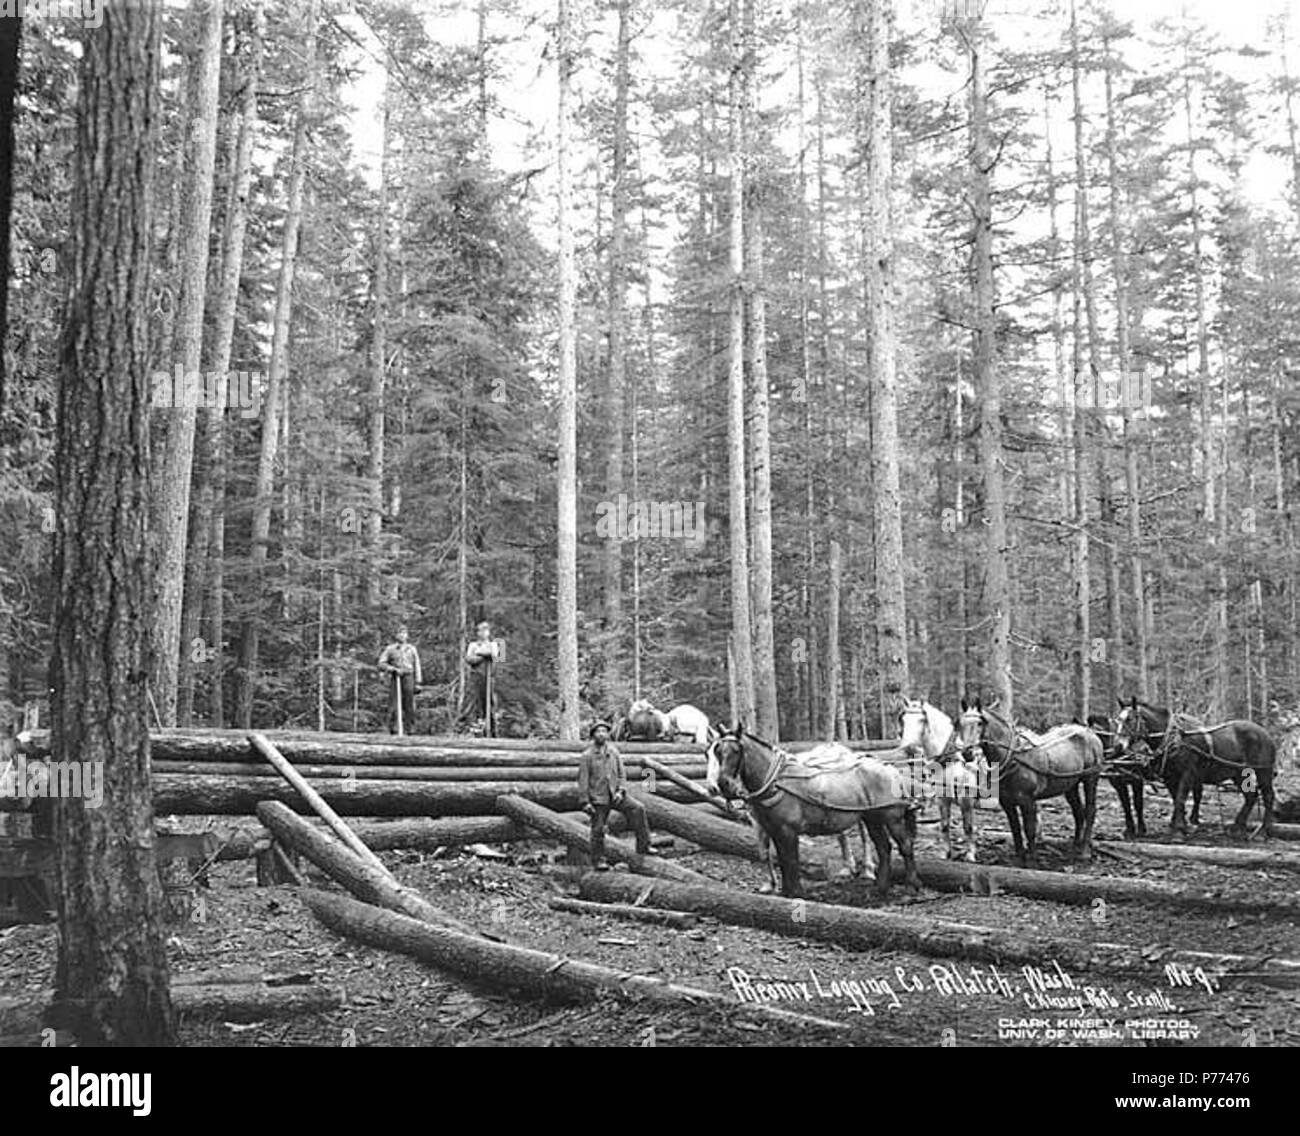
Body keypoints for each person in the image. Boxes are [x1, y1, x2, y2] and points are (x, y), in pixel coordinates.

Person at [578, 719, 655, 870]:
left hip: (616, 795)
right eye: (598, 732)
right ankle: (599, 860)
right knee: (598, 829)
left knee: (638, 809)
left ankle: (644, 846)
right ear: (593, 735)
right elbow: (583, 780)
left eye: (604, 731)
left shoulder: (614, 752)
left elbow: (621, 774)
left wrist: (621, 790)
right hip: (598, 797)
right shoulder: (587, 756)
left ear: (607, 734)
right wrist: (585, 802)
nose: (601, 734)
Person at [378, 626, 422, 735]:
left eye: (404, 633)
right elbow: (381, 664)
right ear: (396, 635)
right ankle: (394, 727)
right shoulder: (390, 649)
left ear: (407, 635)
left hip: (408, 676)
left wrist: (418, 682)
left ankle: (410, 728)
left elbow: (417, 665)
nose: (402, 635)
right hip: (395, 678)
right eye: (399, 633)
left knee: (409, 703)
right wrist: (392, 669)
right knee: (394, 703)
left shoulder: (411, 649)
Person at [460, 620, 501, 734]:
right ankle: (474, 728)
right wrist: (482, 656)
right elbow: (469, 659)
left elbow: (495, 655)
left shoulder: (493, 644)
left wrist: (481, 653)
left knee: (489, 703)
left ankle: (492, 730)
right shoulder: (473, 645)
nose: (483, 633)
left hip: (489, 677)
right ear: (478, 633)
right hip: (476, 677)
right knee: (474, 702)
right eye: (481, 631)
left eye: (485, 630)